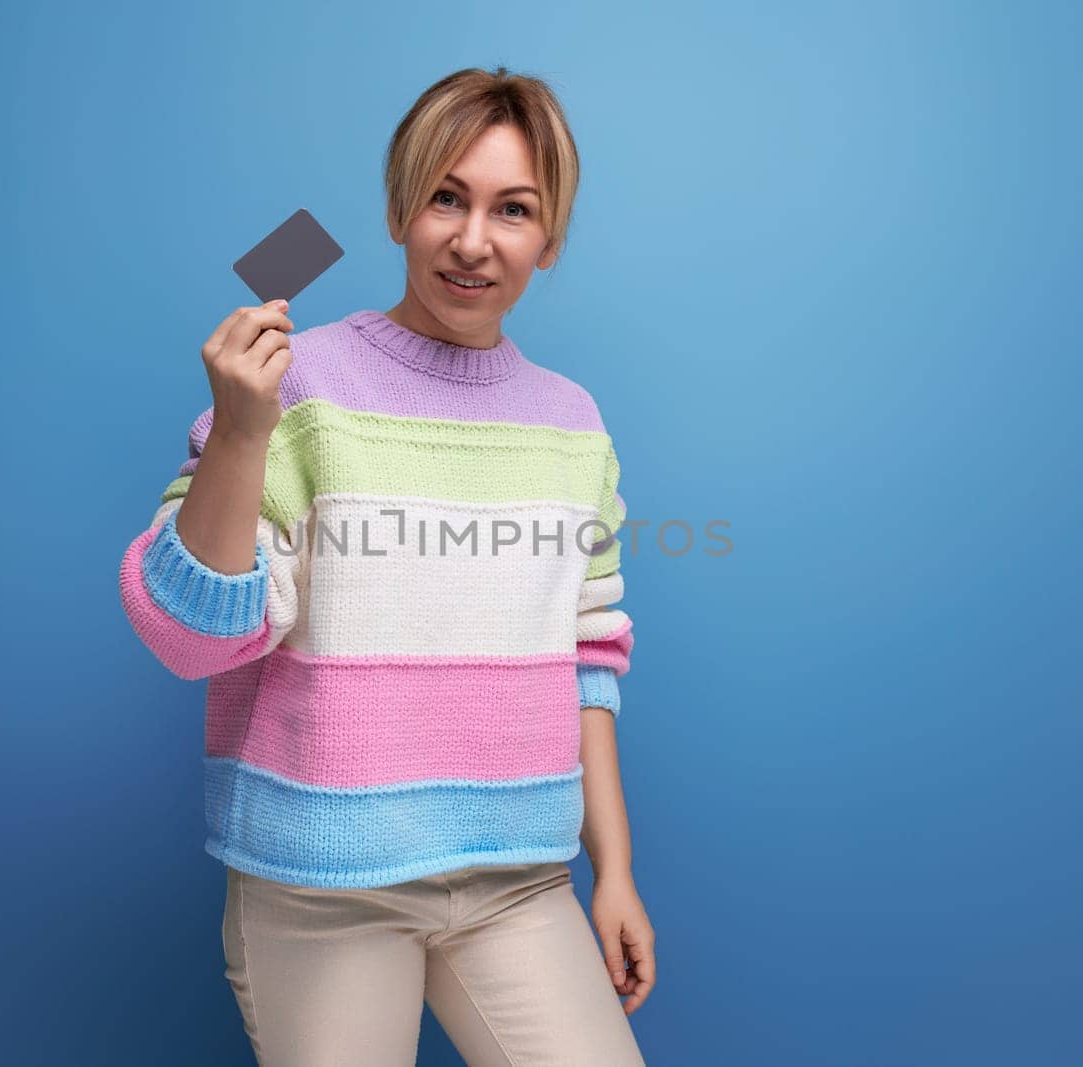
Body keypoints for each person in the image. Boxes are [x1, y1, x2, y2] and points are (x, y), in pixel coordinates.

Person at [118, 66, 654, 1066]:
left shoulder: (573, 423)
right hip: (323, 884)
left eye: (514, 210)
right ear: (401, 206)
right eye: (446, 196)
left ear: (550, 236)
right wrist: (241, 431)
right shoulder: (300, 385)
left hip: (520, 880)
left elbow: (590, 654)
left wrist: (612, 870)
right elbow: (189, 638)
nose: (471, 239)